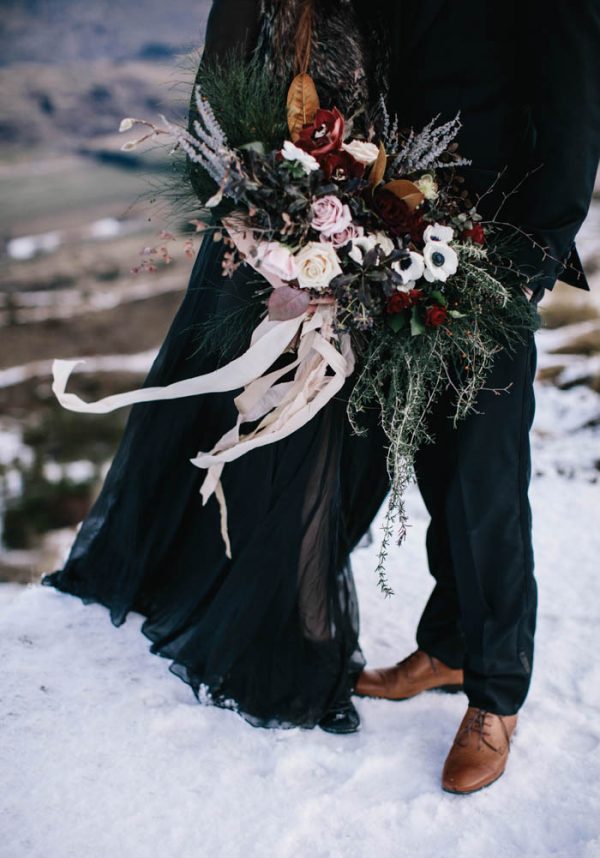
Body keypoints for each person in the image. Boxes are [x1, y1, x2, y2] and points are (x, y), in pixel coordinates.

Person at [40, 0, 393, 735]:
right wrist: (268, 228)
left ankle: (261, 603)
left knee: (314, 440)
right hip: (262, 244)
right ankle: (243, 613)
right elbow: (216, 102)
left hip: (359, 250)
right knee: (254, 425)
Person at [355, 0, 600, 793]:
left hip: (496, 250)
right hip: (397, 241)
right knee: (434, 462)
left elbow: (574, 108)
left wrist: (528, 268)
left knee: (486, 480)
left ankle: (497, 694)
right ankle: (452, 643)